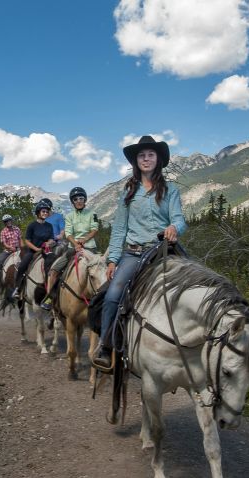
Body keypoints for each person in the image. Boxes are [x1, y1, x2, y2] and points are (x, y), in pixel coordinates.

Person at [92, 135, 186, 369]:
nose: (146, 159)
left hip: (163, 250)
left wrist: (174, 228)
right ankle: (105, 345)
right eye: (142, 155)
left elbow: (179, 219)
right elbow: (119, 229)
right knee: (113, 293)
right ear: (136, 161)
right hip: (134, 254)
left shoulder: (171, 190)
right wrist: (113, 259)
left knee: (195, 284)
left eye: (150, 155)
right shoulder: (127, 192)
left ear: (158, 159)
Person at [40, 187, 99, 310]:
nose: (79, 201)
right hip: (73, 248)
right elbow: (68, 233)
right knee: (55, 270)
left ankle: (105, 298)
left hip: (90, 248)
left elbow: (94, 229)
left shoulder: (92, 214)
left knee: (103, 269)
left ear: (85, 199)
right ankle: (50, 298)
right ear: (72, 202)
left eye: (81, 198)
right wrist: (76, 244)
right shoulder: (69, 216)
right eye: (76, 199)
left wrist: (83, 240)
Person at [11, 200, 57, 300]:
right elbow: (27, 241)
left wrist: (49, 243)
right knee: (22, 266)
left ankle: (52, 288)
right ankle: (18, 288)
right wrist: (36, 249)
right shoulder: (32, 225)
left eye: (46, 212)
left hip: (46, 251)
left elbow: (51, 238)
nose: (45, 213)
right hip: (33, 251)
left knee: (55, 265)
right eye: (43, 211)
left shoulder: (49, 226)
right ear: (38, 213)